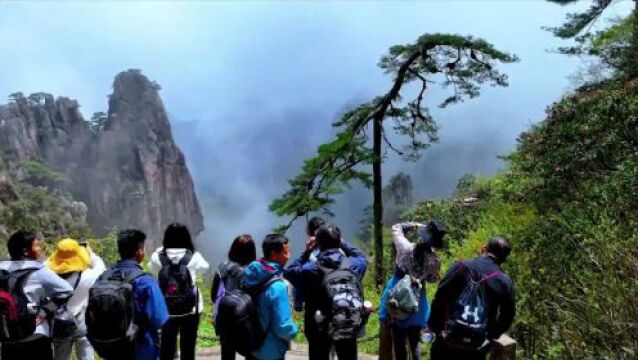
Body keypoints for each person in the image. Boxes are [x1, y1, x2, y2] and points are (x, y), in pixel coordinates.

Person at [284, 224, 368, 360]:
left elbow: (289, 272)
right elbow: (361, 257)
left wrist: (306, 252)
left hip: (319, 327)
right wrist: (343, 243)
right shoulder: (353, 265)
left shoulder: (311, 270)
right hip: (347, 321)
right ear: (339, 242)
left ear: (318, 244)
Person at [428, 236, 516, 360]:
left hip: (447, 341)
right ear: (503, 259)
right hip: (477, 347)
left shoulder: (460, 266)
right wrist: (492, 334)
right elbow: (508, 315)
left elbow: (441, 296)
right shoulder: (504, 282)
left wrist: (434, 327)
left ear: (483, 248)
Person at [94, 229, 169, 360]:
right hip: (141, 349)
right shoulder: (146, 282)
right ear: (139, 252)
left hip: (110, 347)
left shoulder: (103, 277)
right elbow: (160, 318)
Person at [378, 221, 447, 360]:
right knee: (414, 343)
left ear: (422, 236)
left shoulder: (405, 247)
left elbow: (396, 227)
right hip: (416, 300)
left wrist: (414, 225)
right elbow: (432, 279)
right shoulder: (434, 261)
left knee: (398, 342)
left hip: (397, 296)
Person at [0, 231, 74, 360]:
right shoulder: (39, 271)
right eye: (36, 245)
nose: (40, 249)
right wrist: (44, 312)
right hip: (35, 334)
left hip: (7, 335)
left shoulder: (1, 269)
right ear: (25, 251)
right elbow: (66, 290)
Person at [148, 223, 210, 360]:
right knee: (188, 347)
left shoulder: (157, 257)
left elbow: (150, 268)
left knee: (167, 346)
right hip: (191, 308)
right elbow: (205, 268)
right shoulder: (194, 257)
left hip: (166, 308)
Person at [46, 238, 106, 360]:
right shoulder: (89, 276)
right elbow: (101, 267)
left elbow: (44, 264)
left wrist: (57, 255)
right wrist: (89, 252)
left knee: (60, 357)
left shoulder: (47, 276)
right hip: (82, 322)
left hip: (59, 323)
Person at [242, 234, 298, 360]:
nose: (288, 256)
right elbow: (282, 327)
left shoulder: (249, 274)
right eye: (285, 252)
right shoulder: (278, 286)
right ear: (273, 254)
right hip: (270, 351)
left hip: (250, 345)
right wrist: (295, 329)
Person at [211, 234, 257, 360]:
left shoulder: (222, 268)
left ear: (233, 249)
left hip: (225, 316)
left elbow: (214, 295)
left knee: (227, 353)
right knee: (251, 352)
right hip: (246, 318)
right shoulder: (254, 270)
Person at [292, 216, 326, 312]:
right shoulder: (336, 250)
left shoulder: (310, 255)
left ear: (310, 233)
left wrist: (306, 252)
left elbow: (295, 274)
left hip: (313, 301)